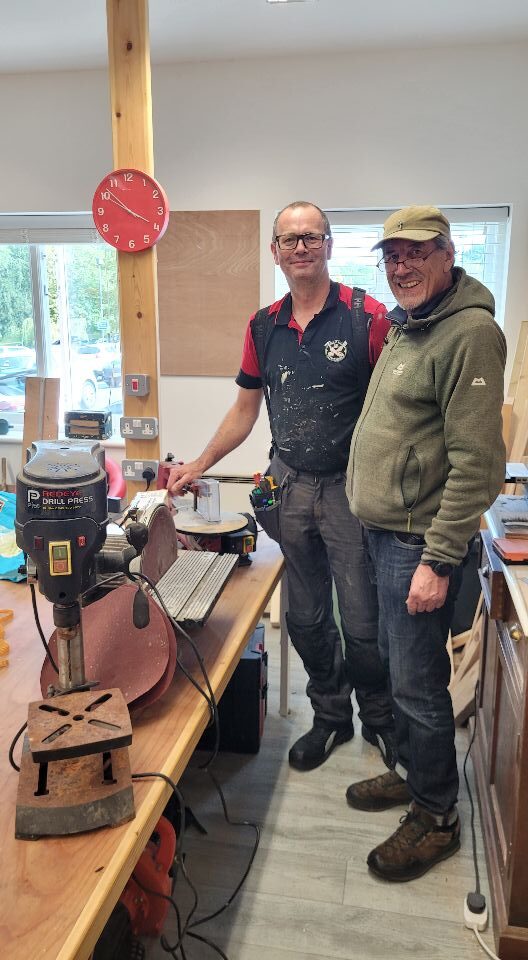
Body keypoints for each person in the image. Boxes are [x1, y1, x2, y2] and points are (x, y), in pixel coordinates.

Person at [168, 200, 396, 772]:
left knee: (363, 622)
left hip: (350, 492)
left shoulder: (368, 318)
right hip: (287, 485)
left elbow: (398, 410)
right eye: (289, 239)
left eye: (311, 237)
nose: (300, 248)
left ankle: (381, 719)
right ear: (274, 252)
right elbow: (245, 409)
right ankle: (331, 717)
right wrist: (200, 462)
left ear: (328, 245)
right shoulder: (262, 325)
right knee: (306, 618)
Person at [345, 205, 506, 881]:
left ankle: (437, 816)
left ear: (447, 254)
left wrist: (439, 560)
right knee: (397, 668)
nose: (401, 267)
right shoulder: (409, 327)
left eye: (415, 253)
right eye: (391, 256)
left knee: (418, 685)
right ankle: (415, 773)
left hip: (418, 544)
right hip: (383, 534)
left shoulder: (470, 333)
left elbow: (479, 466)